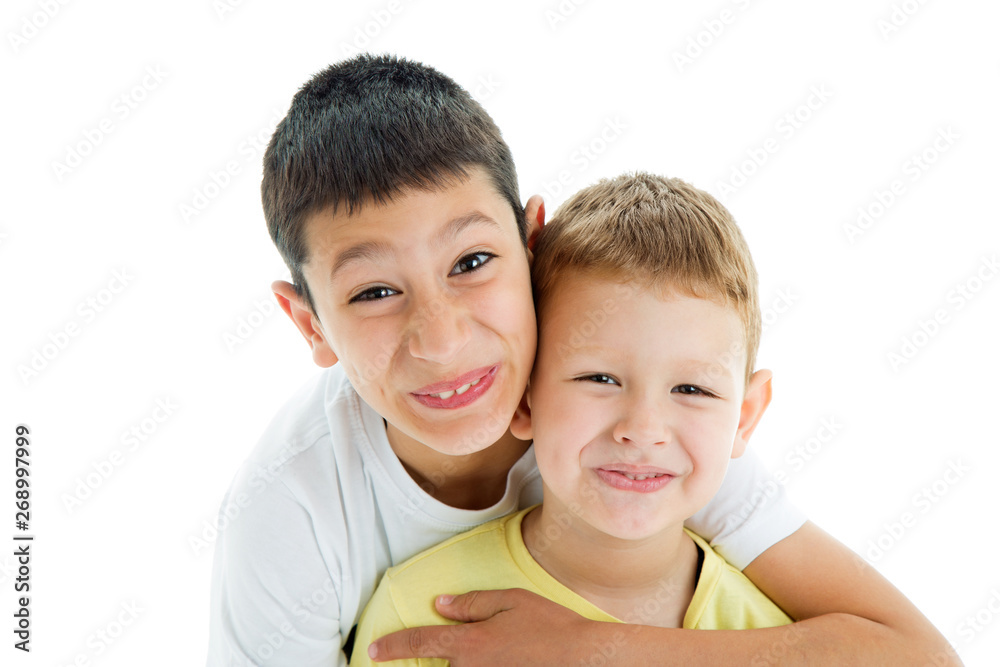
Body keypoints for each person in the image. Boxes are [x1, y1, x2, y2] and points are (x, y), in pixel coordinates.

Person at [206, 53, 958, 666]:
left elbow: (917, 654)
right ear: (310, 323)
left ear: (531, 243)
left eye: (472, 262)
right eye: (374, 291)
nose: (442, 340)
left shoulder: (641, 416)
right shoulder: (289, 513)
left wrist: (591, 650)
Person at [350, 172, 795, 666]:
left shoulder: (780, 639)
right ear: (524, 401)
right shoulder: (419, 619)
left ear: (744, 417)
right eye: (599, 379)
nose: (642, 429)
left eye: (692, 389)